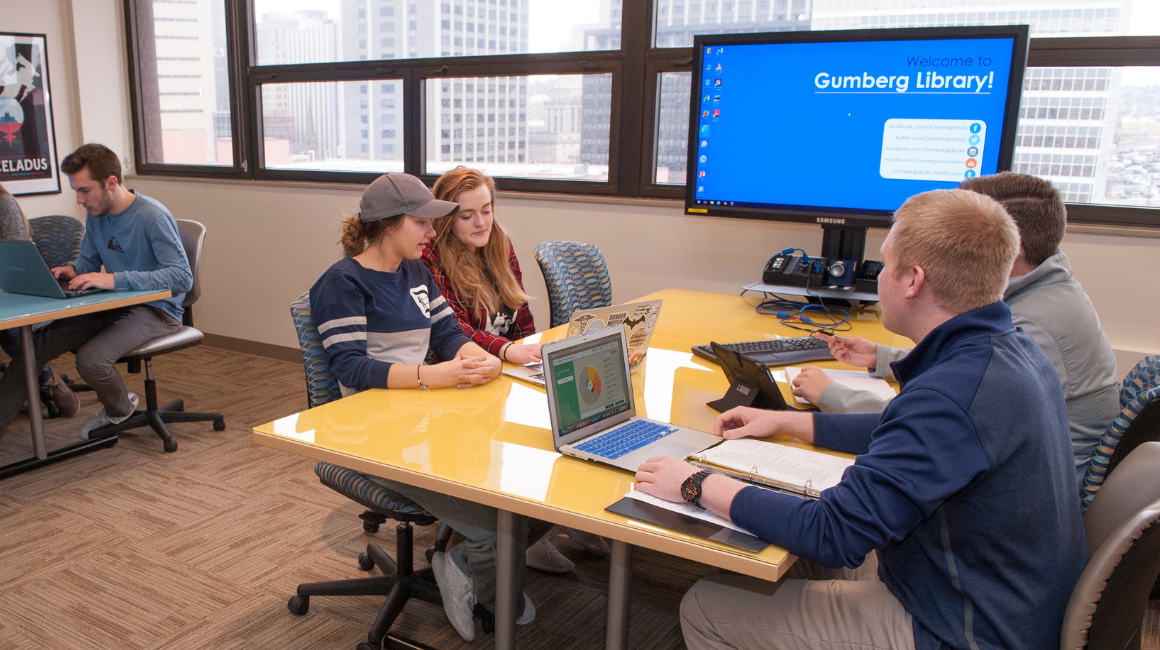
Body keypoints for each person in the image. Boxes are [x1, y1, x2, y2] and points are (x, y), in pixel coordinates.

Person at [635, 189, 1087, 650]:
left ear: (913, 279)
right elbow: (901, 426)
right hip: (1011, 600)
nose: (880, 277)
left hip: (964, 628)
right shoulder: (1009, 350)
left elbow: (831, 533)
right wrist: (789, 422)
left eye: (886, 263)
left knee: (706, 606)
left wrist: (696, 483)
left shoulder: (952, 394)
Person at [309, 172, 543, 642]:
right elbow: (352, 368)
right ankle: (490, 598)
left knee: (529, 492)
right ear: (390, 224)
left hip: (421, 421)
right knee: (495, 529)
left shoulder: (413, 271)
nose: (431, 234)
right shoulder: (343, 282)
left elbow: (447, 333)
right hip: (370, 436)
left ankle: (468, 568)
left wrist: (477, 356)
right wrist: (430, 376)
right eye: (421, 223)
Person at [791, 172, 1118, 490]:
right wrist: (885, 357)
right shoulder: (1044, 291)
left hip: (1010, 505)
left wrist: (831, 395)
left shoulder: (1035, 329)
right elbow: (965, 377)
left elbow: (935, 423)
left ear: (1007, 243)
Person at [422, 166, 610, 574]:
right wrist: (509, 351)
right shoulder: (431, 258)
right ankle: (521, 536)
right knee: (523, 440)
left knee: (566, 416)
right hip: (462, 375)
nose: (480, 222)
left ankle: (546, 523)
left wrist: (531, 349)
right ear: (445, 219)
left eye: (486, 210)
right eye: (466, 214)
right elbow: (453, 330)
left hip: (505, 366)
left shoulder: (498, 242)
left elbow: (519, 309)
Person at [0, 144, 192, 441]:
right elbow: (88, 260)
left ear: (111, 182)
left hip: (156, 310)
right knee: (34, 348)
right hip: (110, 303)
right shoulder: (97, 214)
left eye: (85, 190)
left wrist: (113, 279)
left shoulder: (151, 215)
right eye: (76, 191)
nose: (79, 200)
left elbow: (182, 277)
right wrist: (72, 268)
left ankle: (119, 409)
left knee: (90, 360)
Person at [0, 181, 80, 418]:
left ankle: (47, 379)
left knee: (9, 330)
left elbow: (14, 266)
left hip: (22, 299)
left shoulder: (4, 205)